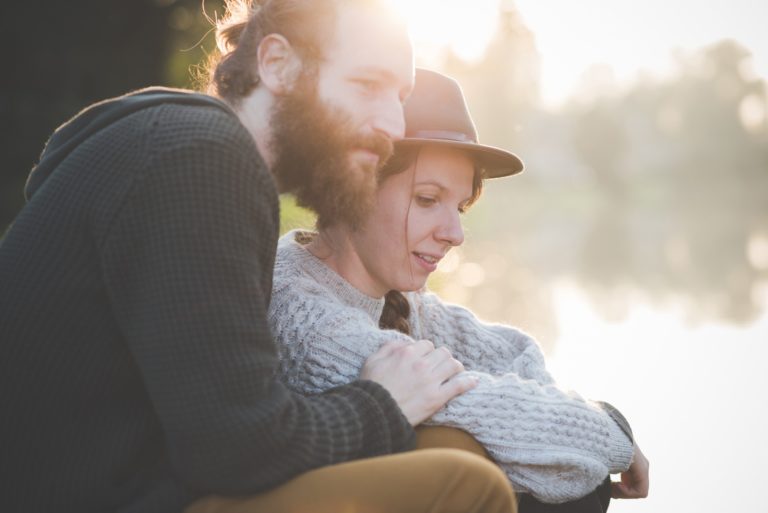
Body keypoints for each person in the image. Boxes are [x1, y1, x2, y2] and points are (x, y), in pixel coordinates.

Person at [0, 2, 517, 512]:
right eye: (367, 86)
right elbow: (237, 448)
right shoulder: (198, 158)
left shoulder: (195, 149)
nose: (392, 123)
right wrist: (382, 404)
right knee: (467, 483)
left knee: (448, 445)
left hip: (151, 478)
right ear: (278, 65)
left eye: (399, 96)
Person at [269, 68, 650, 512]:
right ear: (352, 187)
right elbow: (514, 422)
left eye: (461, 206)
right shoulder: (303, 316)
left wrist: (601, 420)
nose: (455, 233)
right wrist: (613, 436)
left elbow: (515, 354)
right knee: (480, 454)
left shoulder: (397, 299)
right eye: (428, 200)